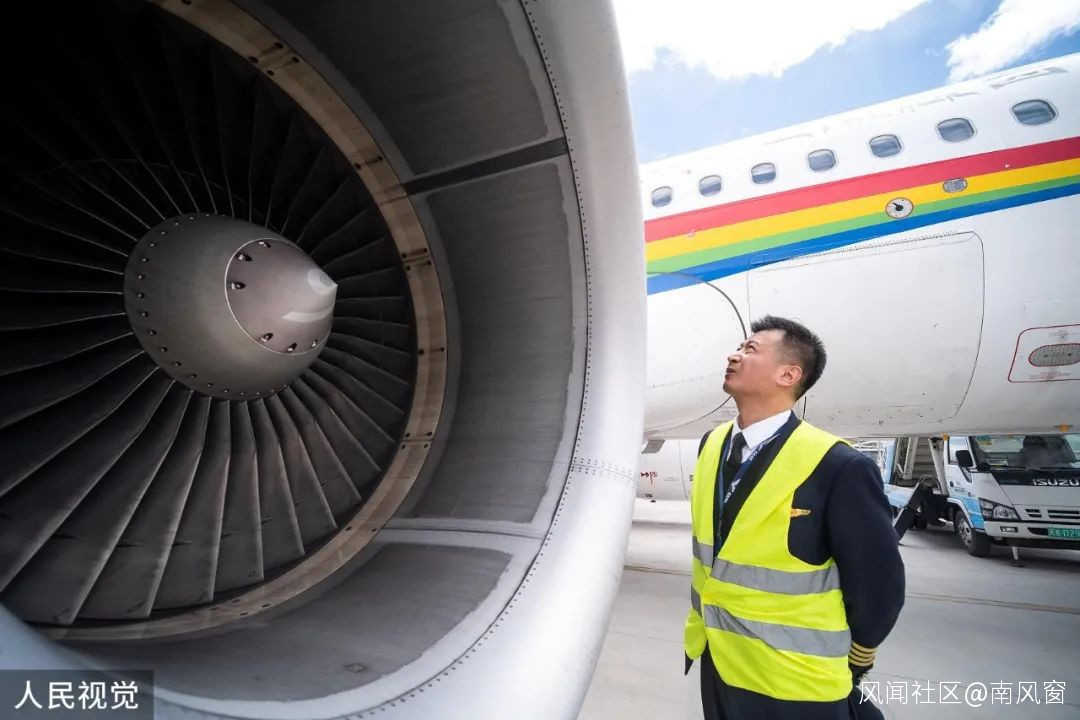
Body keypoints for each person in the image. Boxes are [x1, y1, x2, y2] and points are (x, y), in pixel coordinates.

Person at [684, 315, 905, 720]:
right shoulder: (712, 444)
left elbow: (878, 584)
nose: (734, 355)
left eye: (750, 349)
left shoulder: (838, 465)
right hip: (718, 658)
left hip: (793, 679)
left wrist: (857, 657)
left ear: (788, 375)